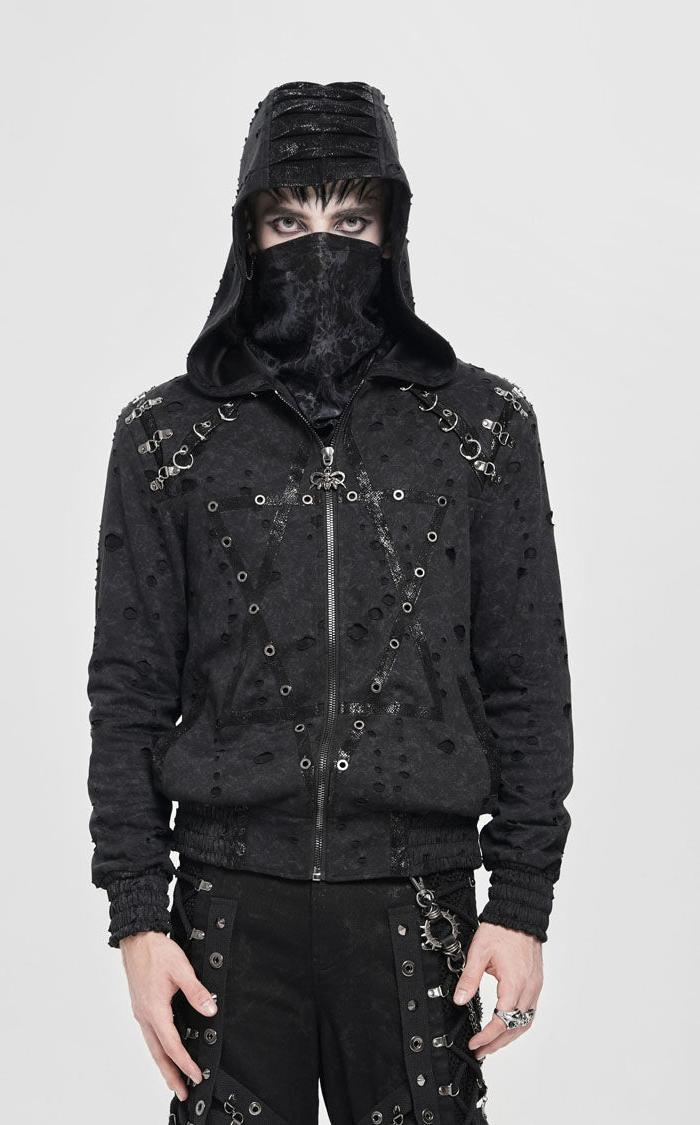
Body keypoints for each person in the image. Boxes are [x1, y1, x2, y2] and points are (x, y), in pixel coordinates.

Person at [87, 81, 574, 1125]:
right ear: (247, 235)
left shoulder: (483, 427)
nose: (319, 247)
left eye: (350, 221)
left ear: (392, 231)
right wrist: (136, 915)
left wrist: (522, 899)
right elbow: (128, 688)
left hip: (419, 906)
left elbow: (527, 677)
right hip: (224, 908)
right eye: (288, 221)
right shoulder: (166, 436)